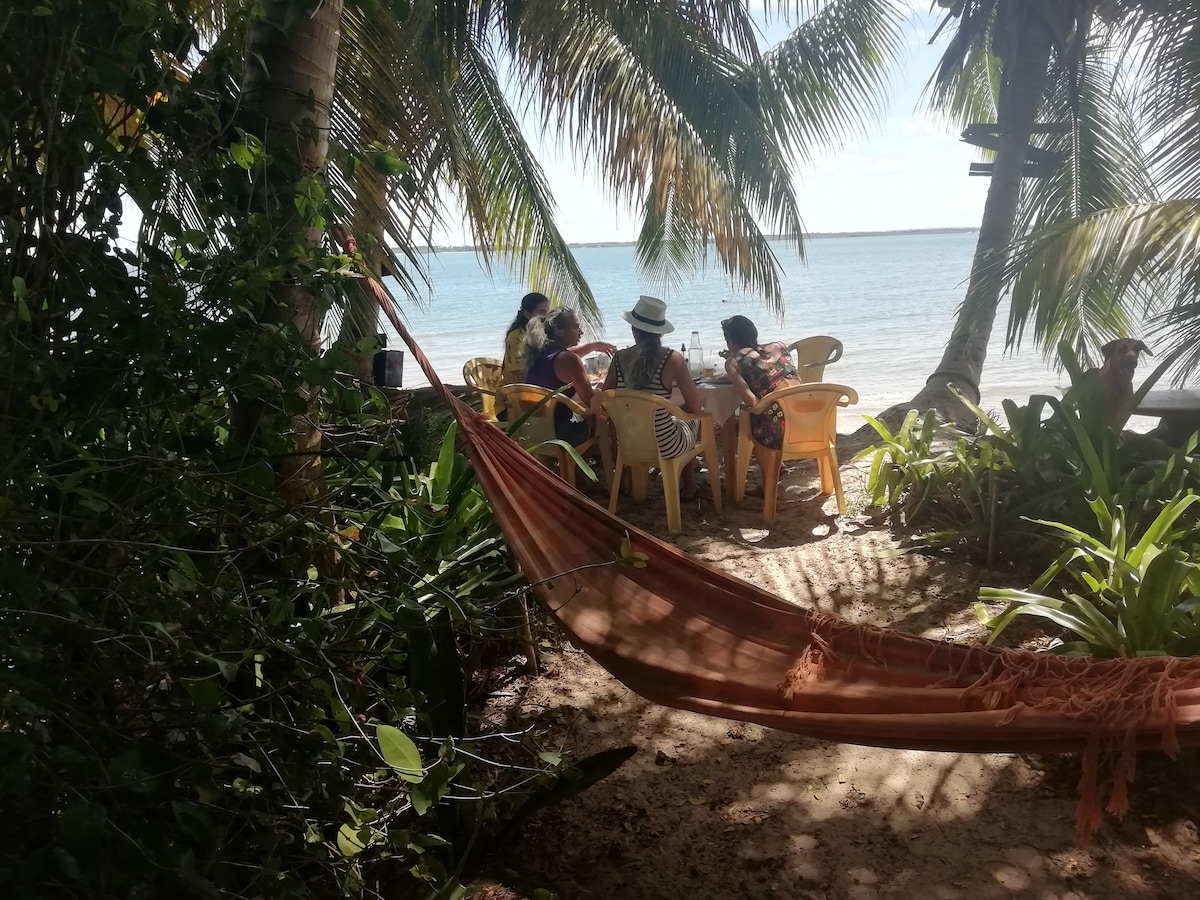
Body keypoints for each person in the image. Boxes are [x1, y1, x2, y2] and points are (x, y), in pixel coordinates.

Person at [601, 295, 703, 500]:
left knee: (660, 419)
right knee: (692, 417)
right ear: (660, 332)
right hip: (666, 445)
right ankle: (689, 485)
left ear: (633, 329)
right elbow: (695, 404)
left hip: (628, 442)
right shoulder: (672, 359)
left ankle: (633, 487)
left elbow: (606, 399)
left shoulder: (619, 358)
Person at [721, 314, 801, 453]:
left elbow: (751, 401)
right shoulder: (779, 346)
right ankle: (778, 465)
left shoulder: (733, 363)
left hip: (778, 430)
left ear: (730, 342)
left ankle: (772, 468)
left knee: (751, 418)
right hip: (808, 416)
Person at [502, 291, 616, 384]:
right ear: (527, 314)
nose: (546, 317)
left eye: (547, 312)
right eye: (541, 312)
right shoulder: (518, 337)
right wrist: (602, 382)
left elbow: (556, 358)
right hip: (516, 400)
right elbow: (523, 376)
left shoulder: (540, 335)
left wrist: (592, 346)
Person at [522, 307, 597, 445]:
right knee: (598, 417)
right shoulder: (569, 359)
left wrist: (592, 346)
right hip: (559, 433)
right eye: (576, 327)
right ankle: (582, 462)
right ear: (558, 331)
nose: (581, 332)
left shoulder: (537, 353)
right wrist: (603, 390)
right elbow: (592, 401)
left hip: (532, 429)